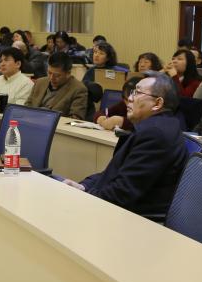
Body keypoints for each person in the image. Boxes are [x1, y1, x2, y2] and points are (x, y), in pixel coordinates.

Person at [61, 72, 189, 218]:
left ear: (158, 104)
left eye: (137, 93)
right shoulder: (156, 126)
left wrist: (85, 197)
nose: (129, 98)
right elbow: (113, 173)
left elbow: (122, 193)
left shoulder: (155, 134)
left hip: (135, 219)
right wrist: (84, 186)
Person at [26, 52, 88, 119]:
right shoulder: (40, 82)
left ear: (68, 73)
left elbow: (75, 120)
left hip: (57, 124)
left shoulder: (78, 89)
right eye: (49, 73)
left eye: (57, 75)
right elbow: (27, 107)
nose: (51, 78)